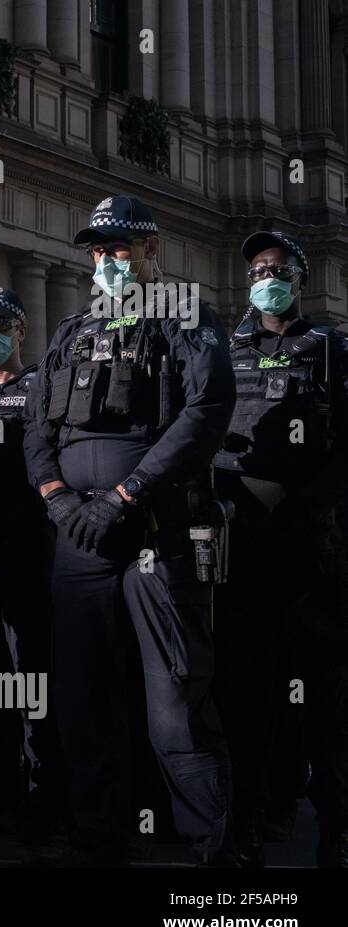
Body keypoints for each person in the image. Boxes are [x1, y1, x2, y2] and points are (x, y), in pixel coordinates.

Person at [23, 195, 236, 867]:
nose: (108, 262)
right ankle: (97, 838)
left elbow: (205, 410)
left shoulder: (187, 317)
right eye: (98, 251)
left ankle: (213, 850)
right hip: (78, 539)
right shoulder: (69, 330)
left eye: (121, 249)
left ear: (151, 252)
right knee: (83, 699)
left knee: (175, 699)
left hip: (151, 529)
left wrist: (126, 493)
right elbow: (36, 430)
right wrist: (57, 500)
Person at [212, 230, 348, 868]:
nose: (269, 276)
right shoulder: (223, 349)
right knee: (244, 691)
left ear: (301, 276)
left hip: (310, 545)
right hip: (239, 544)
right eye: (259, 269)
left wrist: (318, 502)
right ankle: (247, 824)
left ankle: (334, 828)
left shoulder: (328, 348)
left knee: (321, 692)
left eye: (280, 268)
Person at [0, 288, 66, 858]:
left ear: (20, 331)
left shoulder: (41, 388)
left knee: (32, 676)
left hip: (29, 548)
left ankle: (40, 800)